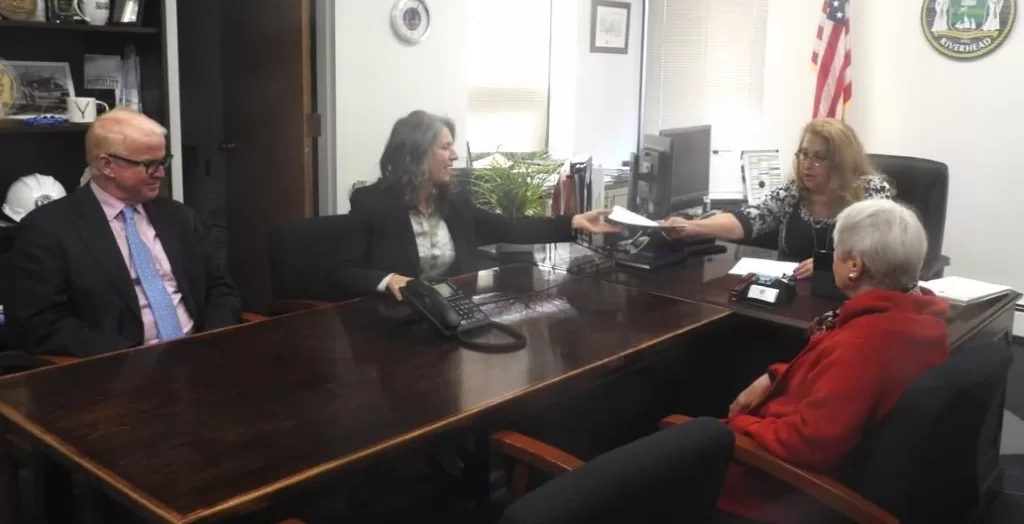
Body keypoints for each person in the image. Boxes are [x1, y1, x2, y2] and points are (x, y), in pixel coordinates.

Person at [715, 199, 950, 523]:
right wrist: (774, 377)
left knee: (666, 459)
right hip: (833, 458)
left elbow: (807, 445)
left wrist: (737, 427)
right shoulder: (919, 318)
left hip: (778, 491)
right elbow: (834, 373)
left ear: (853, 265)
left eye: (835, 250)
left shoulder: (860, 346)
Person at [3, 109, 241, 357]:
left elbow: (221, 289)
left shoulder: (179, 217)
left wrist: (213, 341)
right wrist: (130, 359)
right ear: (107, 165)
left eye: (163, 162)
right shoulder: (48, 228)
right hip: (114, 369)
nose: (160, 173)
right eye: (149, 165)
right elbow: (38, 324)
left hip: (200, 356)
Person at [330, 110, 620, 300]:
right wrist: (388, 279)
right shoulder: (371, 203)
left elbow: (510, 227)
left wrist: (572, 221)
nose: (454, 155)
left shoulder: (453, 203)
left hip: (450, 316)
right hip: (393, 326)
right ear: (416, 153)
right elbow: (343, 271)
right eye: (445, 147)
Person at [662, 118, 891, 279]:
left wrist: (829, 265)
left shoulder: (869, 192)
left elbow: (882, 252)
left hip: (843, 297)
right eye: (804, 154)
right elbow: (750, 219)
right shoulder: (793, 191)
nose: (807, 164)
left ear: (841, 162)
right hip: (791, 292)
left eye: (819, 157)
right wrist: (691, 226)